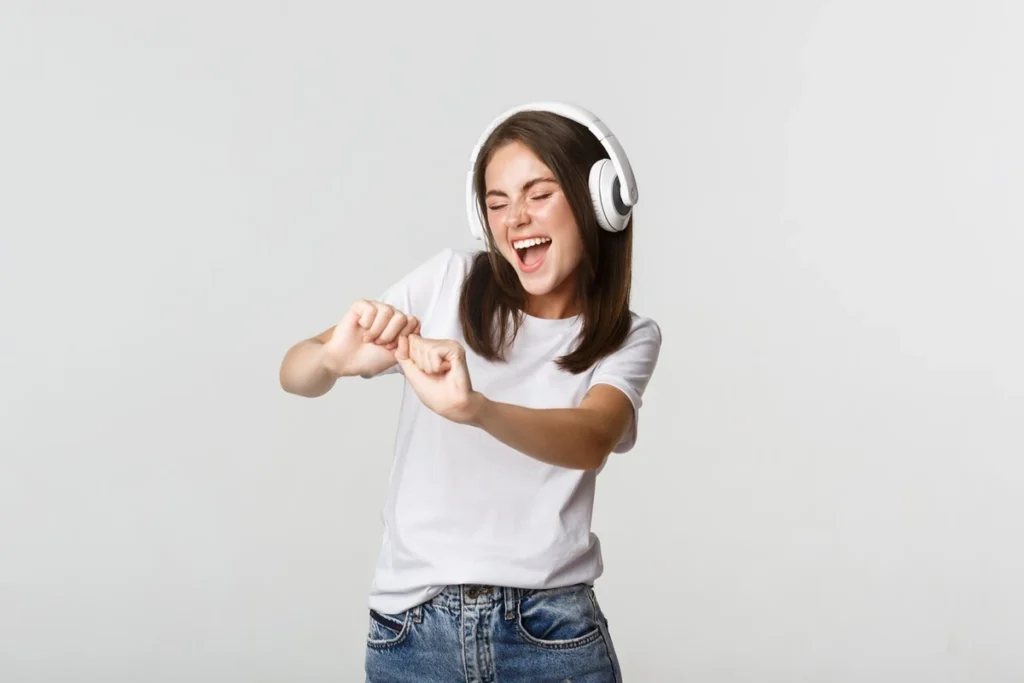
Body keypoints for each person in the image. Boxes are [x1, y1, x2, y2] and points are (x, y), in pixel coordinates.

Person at [279, 102, 662, 682]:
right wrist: (332, 360)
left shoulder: (627, 337)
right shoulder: (447, 283)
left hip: (552, 630)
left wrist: (476, 410)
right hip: (414, 629)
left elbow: (590, 439)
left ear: (599, 200)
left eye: (538, 194)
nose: (515, 219)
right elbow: (294, 371)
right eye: (497, 202)